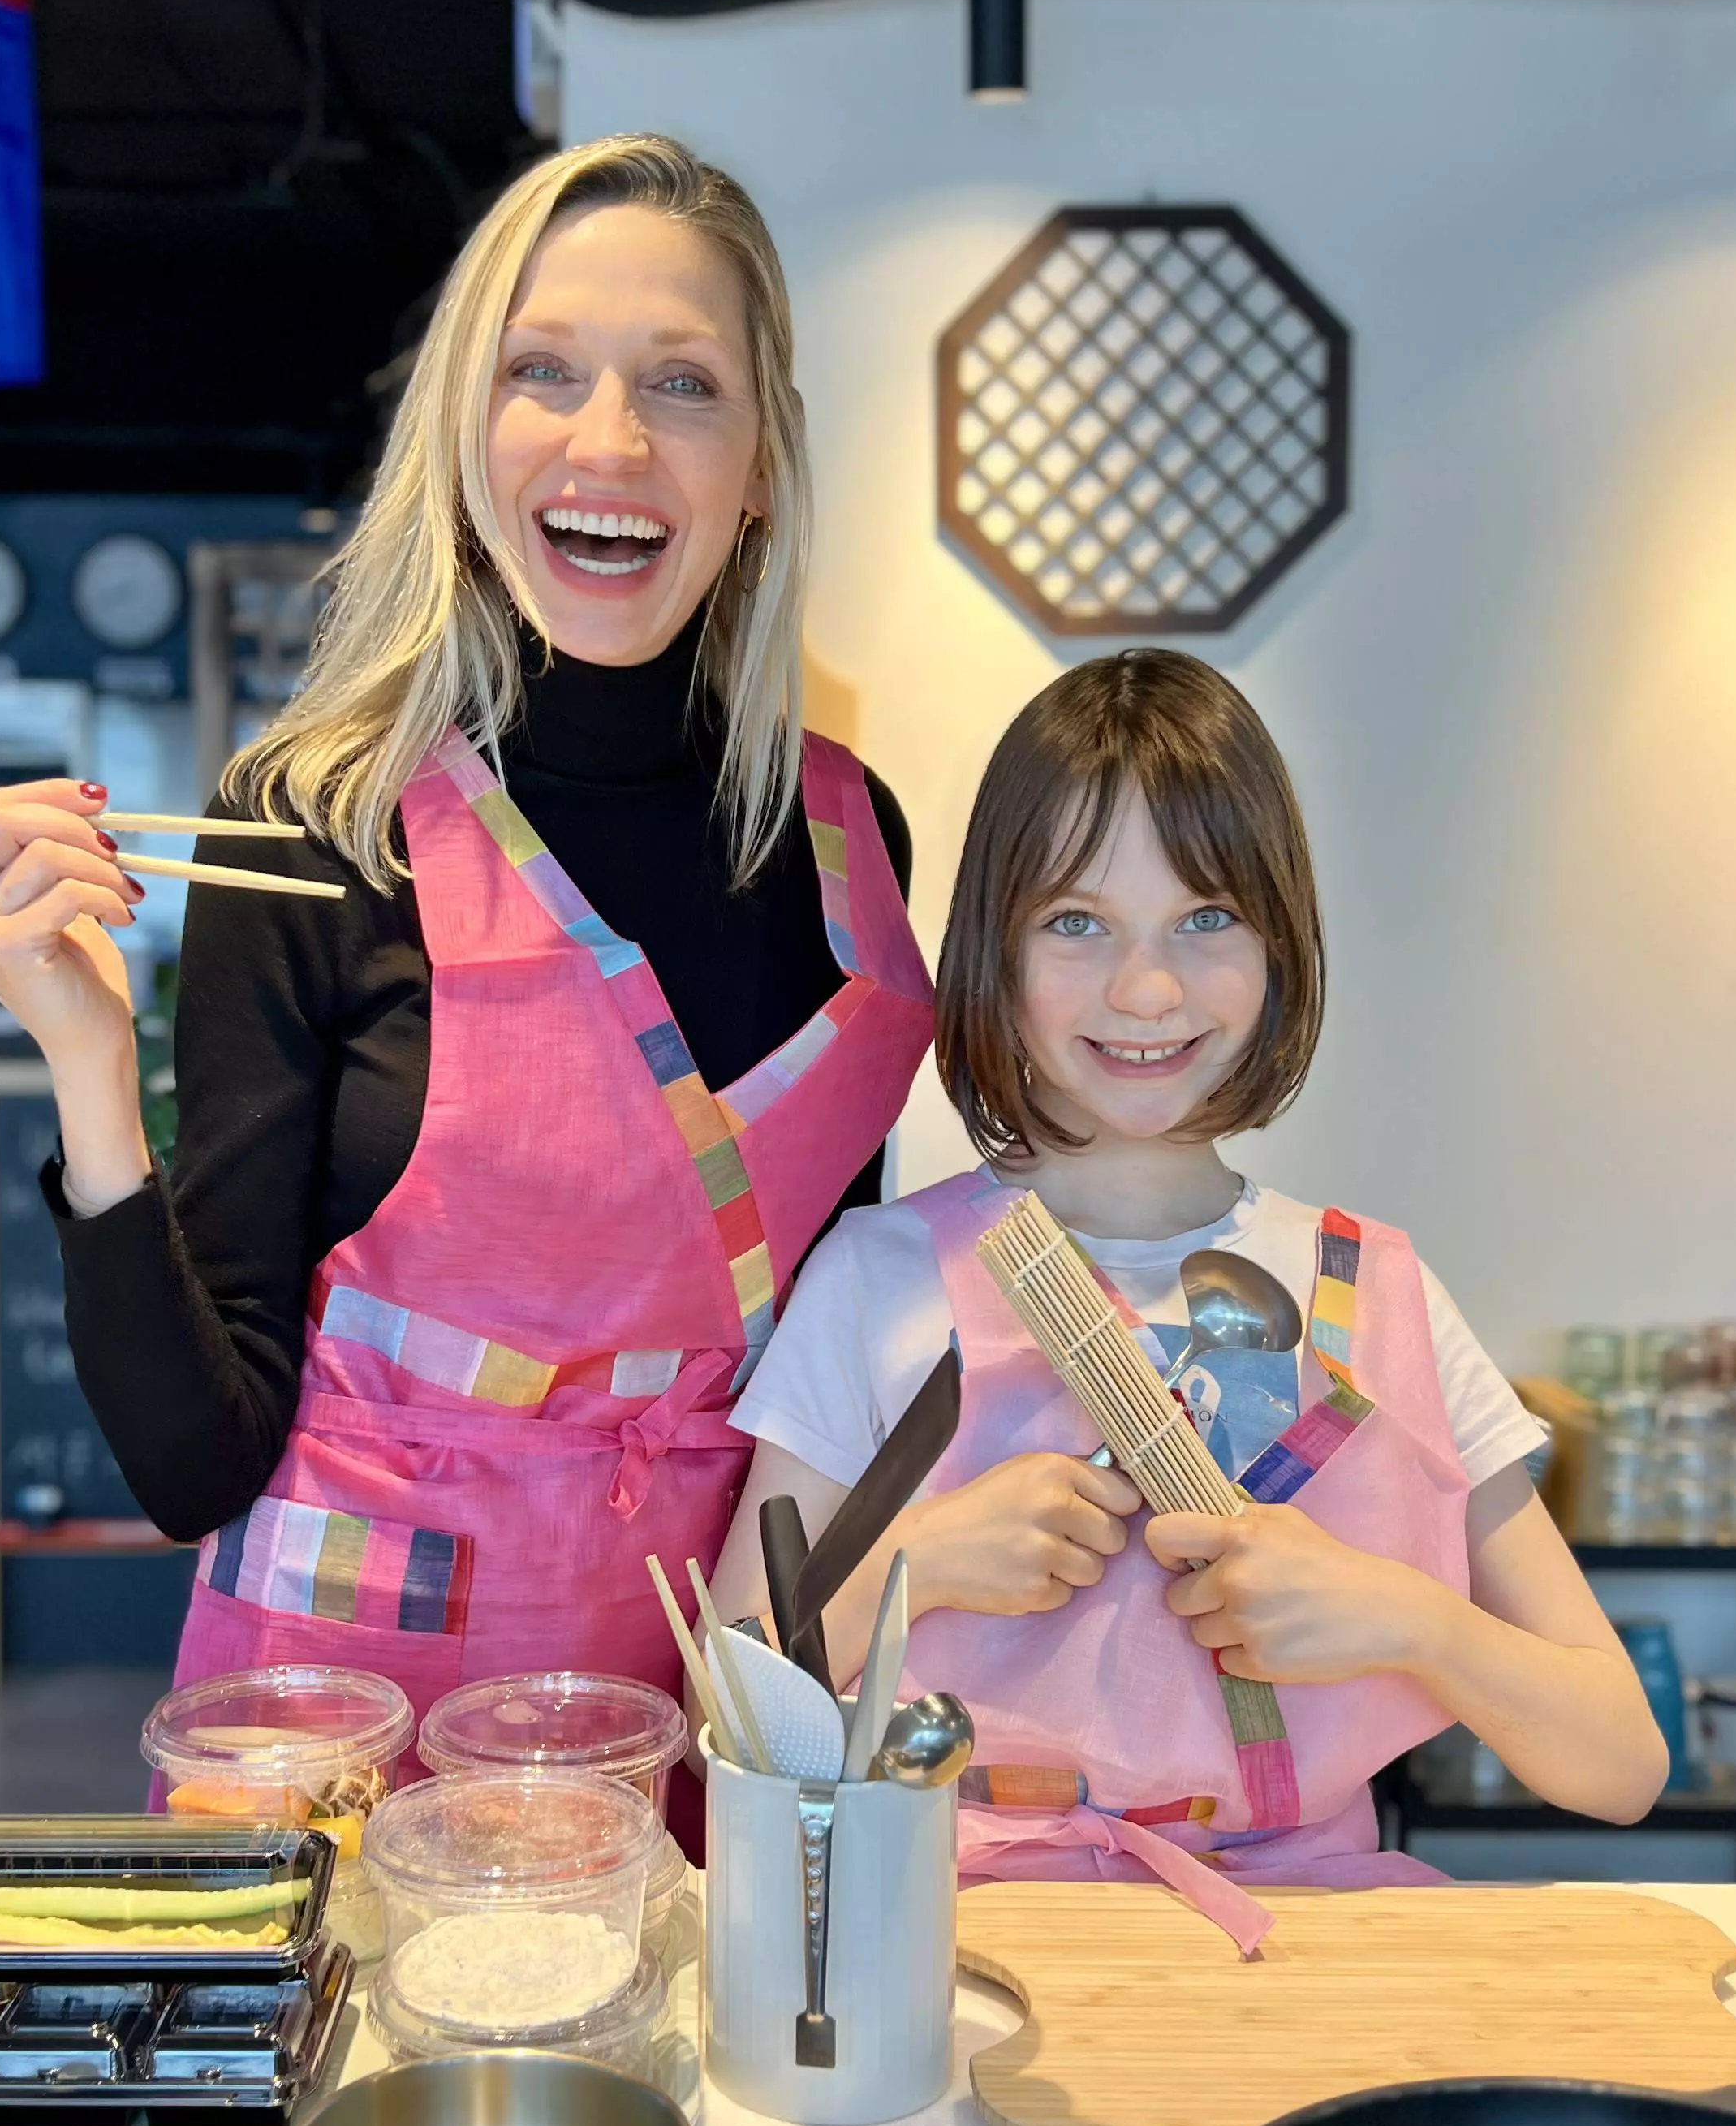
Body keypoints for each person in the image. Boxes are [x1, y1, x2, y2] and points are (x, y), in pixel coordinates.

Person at [0, 137, 934, 1828]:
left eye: (682, 383)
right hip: (339, 1737)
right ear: (464, 431)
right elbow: (191, 1465)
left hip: (704, 1703)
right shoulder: (317, 823)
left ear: (762, 460)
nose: (609, 441)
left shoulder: (843, 840)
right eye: (542, 370)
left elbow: (825, 1377)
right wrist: (88, 1065)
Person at [713, 649, 1665, 1901]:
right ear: (996, 948)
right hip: (949, 1936)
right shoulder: (880, 1278)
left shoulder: (1375, 1293)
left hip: (1301, 1951)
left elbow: (1620, 1763)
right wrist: (921, 1564)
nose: (1146, 989)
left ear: (1279, 942)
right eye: (1076, 923)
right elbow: (726, 1706)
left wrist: (1408, 1621)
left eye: (1206, 918)